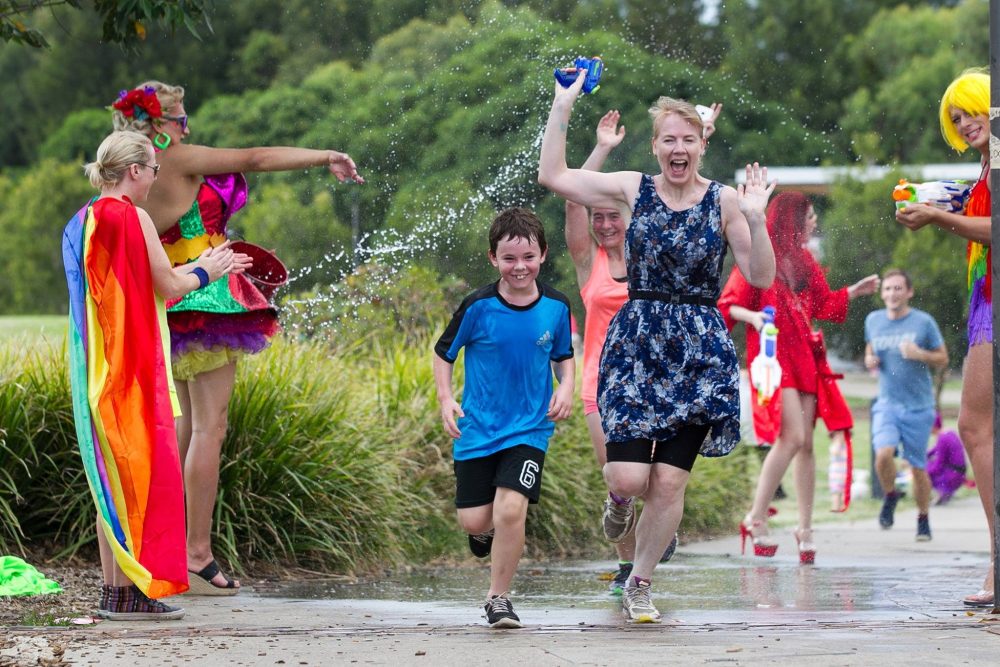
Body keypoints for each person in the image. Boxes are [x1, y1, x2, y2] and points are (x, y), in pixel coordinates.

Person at [539, 71, 776, 623]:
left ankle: (640, 582)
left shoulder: (724, 202)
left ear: (701, 144)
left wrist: (758, 220)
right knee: (629, 477)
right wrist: (563, 104)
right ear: (655, 146)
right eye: (669, 139)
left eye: (688, 139)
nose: (678, 148)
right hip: (638, 342)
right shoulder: (630, 188)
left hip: (698, 351)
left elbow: (759, 275)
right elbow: (554, 175)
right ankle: (618, 501)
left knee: (669, 482)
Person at [111, 82, 362, 594]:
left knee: (179, 430)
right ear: (158, 126)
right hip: (206, 299)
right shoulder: (177, 158)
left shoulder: (131, 178)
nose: (187, 127)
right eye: (180, 118)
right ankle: (196, 554)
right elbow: (256, 156)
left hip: (165, 300)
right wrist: (327, 155)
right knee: (210, 428)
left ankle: (161, 548)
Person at [62, 131, 249, 619]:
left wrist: (208, 266)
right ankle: (133, 590)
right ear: (136, 171)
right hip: (131, 369)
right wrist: (209, 268)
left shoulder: (80, 221)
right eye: (153, 170)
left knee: (112, 479)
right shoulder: (131, 216)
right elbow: (168, 285)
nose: (155, 181)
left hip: (93, 369)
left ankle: (116, 592)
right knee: (140, 477)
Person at [566, 105, 721, 595]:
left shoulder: (643, 247)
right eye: (602, 218)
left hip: (662, 368)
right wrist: (603, 148)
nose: (608, 225)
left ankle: (639, 565)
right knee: (623, 481)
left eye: (616, 217)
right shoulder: (587, 258)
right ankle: (624, 548)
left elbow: (682, 221)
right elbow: (571, 195)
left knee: (661, 482)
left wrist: (695, 141)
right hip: (601, 379)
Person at [718, 191, 879, 564]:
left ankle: (804, 529)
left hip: (805, 354)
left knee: (806, 442)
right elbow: (729, 305)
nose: (814, 222)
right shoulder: (761, 253)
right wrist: (755, 318)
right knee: (790, 436)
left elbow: (822, 303)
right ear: (792, 218)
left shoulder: (804, 260)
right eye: (808, 216)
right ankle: (756, 517)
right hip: (774, 355)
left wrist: (853, 292)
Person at [433, 207, 575, 628]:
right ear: (493, 258)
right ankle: (485, 534)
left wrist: (565, 387)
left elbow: (563, 358)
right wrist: (445, 399)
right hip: (477, 428)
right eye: (509, 258)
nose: (520, 267)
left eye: (528, 257)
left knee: (511, 510)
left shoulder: (556, 307)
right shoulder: (477, 306)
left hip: (530, 429)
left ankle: (499, 598)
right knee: (475, 520)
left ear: (544, 255)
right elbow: (444, 353)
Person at [896, 68, 993, 606]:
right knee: (979, 426)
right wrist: (936, 198)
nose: (962, 121)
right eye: (955, 117)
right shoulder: (985, 167)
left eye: (970, 109)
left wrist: (936, 214)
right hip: (987, 298)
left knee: (976, 425)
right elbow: (980, 203)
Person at [864, 269, 948, 540]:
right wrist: (869, 360)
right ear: (882, 294)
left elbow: (943, 358)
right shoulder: (873, 320)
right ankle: (891, 495)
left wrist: (919, 353)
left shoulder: (923, 322)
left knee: (917, 467)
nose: (892, 294)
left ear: (909, 292)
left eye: (898, 288)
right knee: (883, 455)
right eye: (887, 289)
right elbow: (870, 348)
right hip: (887, 404)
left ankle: (923, 519)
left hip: (919, 408)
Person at [926, 414, 967, 506]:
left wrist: (924, 472)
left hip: (953, 476)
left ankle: (943, 492)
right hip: (960, 474)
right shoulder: (949, 433)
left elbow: (939, 465)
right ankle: (946, 492)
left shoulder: (942, 438)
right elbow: (934, 450)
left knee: (926, 468)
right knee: (927, 464)